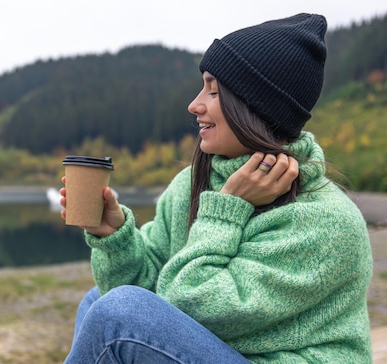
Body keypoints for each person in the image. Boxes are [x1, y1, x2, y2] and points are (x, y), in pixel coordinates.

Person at [59, 13, 373, 363]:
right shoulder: (191, 185)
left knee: (116, 313)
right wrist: (117, 239)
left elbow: (194, 306)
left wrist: (226, 210)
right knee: (97, 301)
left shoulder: (326, 223)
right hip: (228, 350)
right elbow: (151, 292)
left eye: (213, 90)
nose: (195, 105)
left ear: (257, 106)